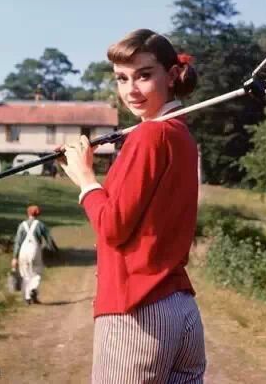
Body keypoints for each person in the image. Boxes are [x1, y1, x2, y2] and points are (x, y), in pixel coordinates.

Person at [59, 29, 206, 383]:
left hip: (138, 311)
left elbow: (112, 227)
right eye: (122, 79)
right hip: (181, 310)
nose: (131, 90)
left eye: (144, 75)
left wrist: (86, 180)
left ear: (172, 75)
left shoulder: (149, 136)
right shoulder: (180, 134)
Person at [11, 205, 57, 305]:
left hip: (23, 251)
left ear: (28, 213)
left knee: (25, 274)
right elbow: (49, 239)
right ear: (38, 214)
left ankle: (27, 298)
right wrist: (53, 250)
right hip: (35, 250)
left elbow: (17, 242)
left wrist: (14, 257)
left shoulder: (22, 225)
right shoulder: (40, 225)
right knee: (37, 272)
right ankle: (33, 289)